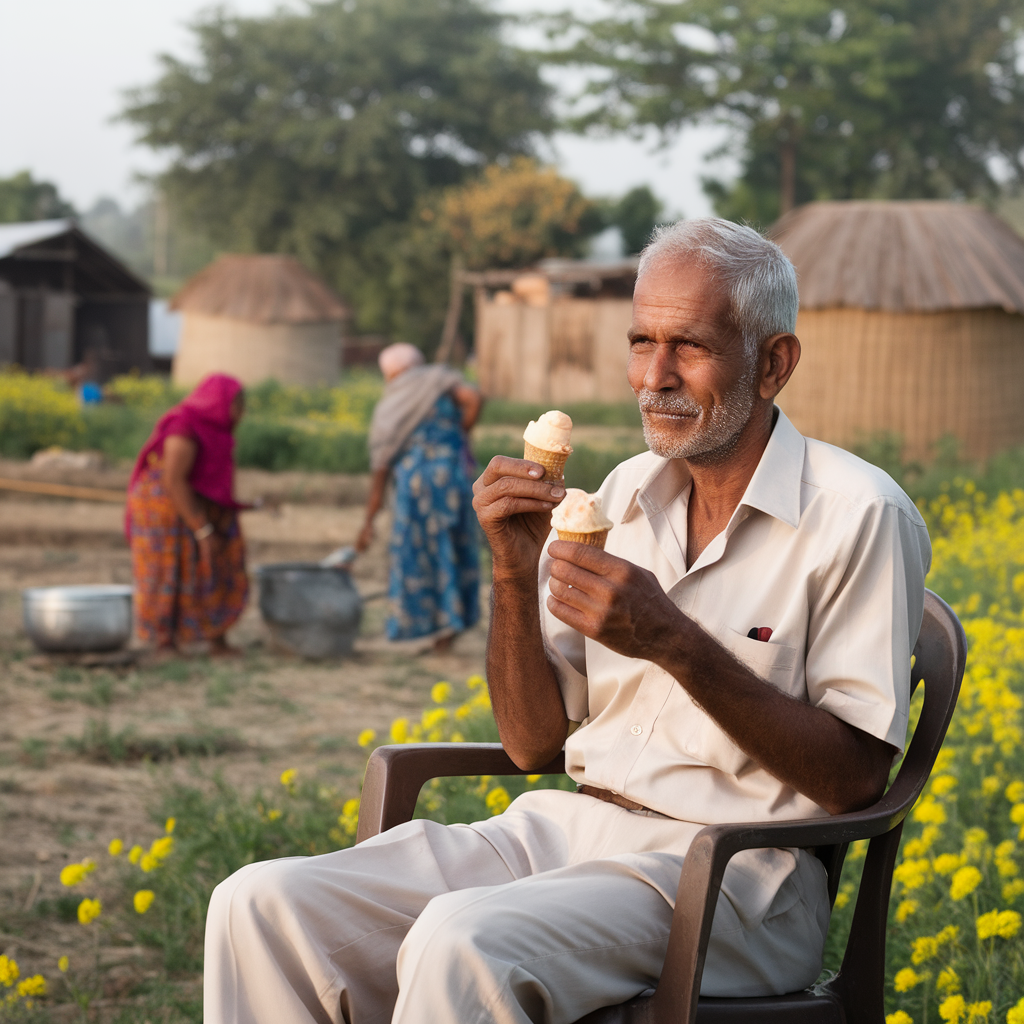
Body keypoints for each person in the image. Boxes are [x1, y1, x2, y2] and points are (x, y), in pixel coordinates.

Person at [203, 220, 931, 1024]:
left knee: (463, 938)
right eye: (641, 342)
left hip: (734, 877)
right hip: (566, 831)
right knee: (259, 901)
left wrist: (677, 644)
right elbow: (533, 744)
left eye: (688, 346)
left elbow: (858, 778)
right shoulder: (620, 495)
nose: (654, 376)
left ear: (774, 363)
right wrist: (514, 570)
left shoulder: (858, 514)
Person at [356, 342, 483, 649]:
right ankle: (447, 632)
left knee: (419, 556)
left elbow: (381, 467)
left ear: (391, 372)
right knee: (450, 548)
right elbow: (473, 398)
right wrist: (459, 432)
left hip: (416, 492)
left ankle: (437, 630)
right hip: (452, 480)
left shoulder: (392, 402)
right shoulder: (439, 380)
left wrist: (368, 521)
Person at [126, 373, 249, 656]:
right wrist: (202, 529)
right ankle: (165, 641)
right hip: (167, 508)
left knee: (218, 564)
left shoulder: (218, 431)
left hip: (199, 505)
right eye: (237, 405)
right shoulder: (185, 426)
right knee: (169, 569)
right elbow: (174, 481)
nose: (241, 414)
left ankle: (216, 636)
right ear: (219, 403)